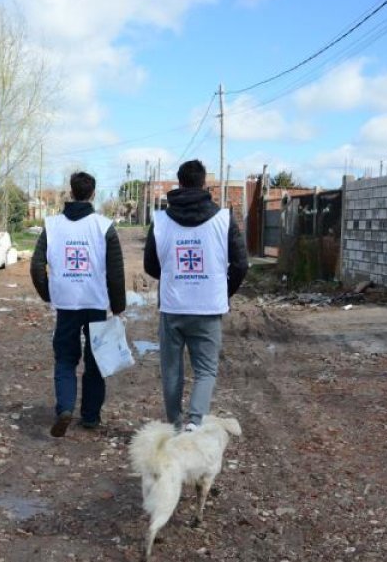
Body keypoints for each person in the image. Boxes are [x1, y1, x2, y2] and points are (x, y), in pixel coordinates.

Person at [143, 159, 248, 431]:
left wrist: (174, 278)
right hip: (208, 308)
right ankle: (195, 421)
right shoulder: (224, 219)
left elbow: (150, 266)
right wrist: (223, 293)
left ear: (179, 183)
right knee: (206, 369)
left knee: (171, 370)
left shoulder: (161, 221)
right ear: (204, 183)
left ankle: (176, 425)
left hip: (173, 306)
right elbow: (241, 264)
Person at [31, 172, 126, 437]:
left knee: (65, 358)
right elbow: (115, 270)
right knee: (95, 360)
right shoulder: (104, 226)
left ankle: (65, 407)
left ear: (70, 193)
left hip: (66, 304)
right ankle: (91, 417)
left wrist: (49, 293)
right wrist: (118, 305)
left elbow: (37, 265)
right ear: (93, 194)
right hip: (95, 303)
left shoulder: (52, 226)